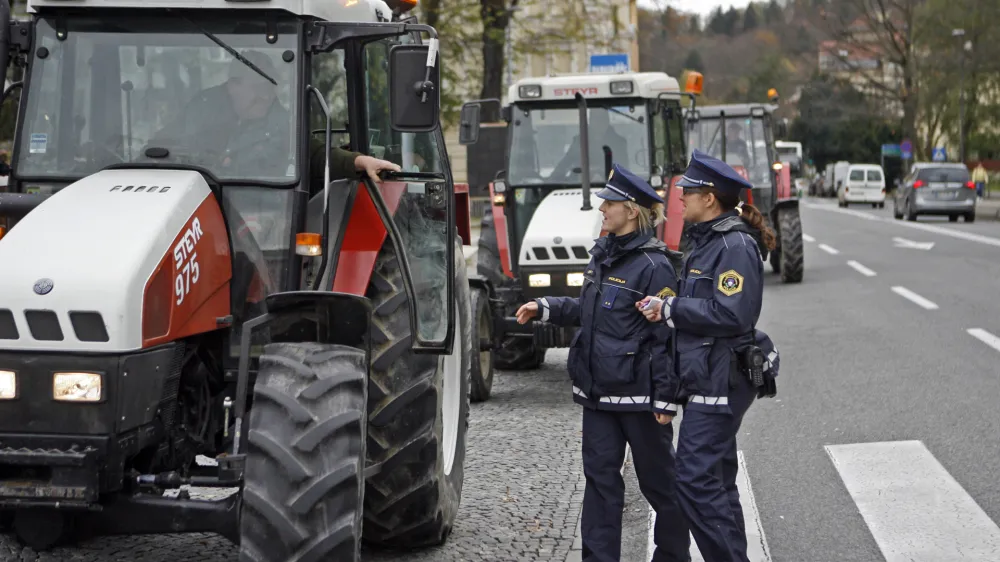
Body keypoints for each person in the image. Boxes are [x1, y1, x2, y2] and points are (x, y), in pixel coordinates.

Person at [515, 163, 689, 562]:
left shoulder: (655, 266)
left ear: (631, 210)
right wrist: (546, 307)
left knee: (662, 487)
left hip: (640, 401)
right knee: (600, 487)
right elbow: (590, 311)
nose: (602, 209)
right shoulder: (602, 255)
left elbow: (667, 337)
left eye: (609, 203)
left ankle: (673, 556)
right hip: (597, 398)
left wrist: (666, 398)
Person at [636, 149, 780, 562]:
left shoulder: (733, 246)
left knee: (694, 480)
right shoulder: (707, 242)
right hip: (706, 375)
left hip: (721, 378)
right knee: (715, 479)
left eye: (688, 191)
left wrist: (671, 308)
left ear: (710, 198)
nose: (680, 197)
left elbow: (732, 313)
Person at [150, 50, 399, 183]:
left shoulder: (282, 126)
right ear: (232, 87)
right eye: (257, 88)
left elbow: (316, 155)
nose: (266, 96)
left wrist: (359, 161)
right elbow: (159, 148)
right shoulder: (199, 113)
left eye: (270, 89)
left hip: (261, 218)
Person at [549, 109, 629, 181]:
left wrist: (600, 171)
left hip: (611, 186)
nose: (599, 123)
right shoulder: (579, 142)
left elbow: (623, 171)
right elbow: (564, 164)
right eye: (595, 119)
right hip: (579, 187)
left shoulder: (619, 143)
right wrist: (551, 180)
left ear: (607, 120)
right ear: (590, 120)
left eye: (602, 118)